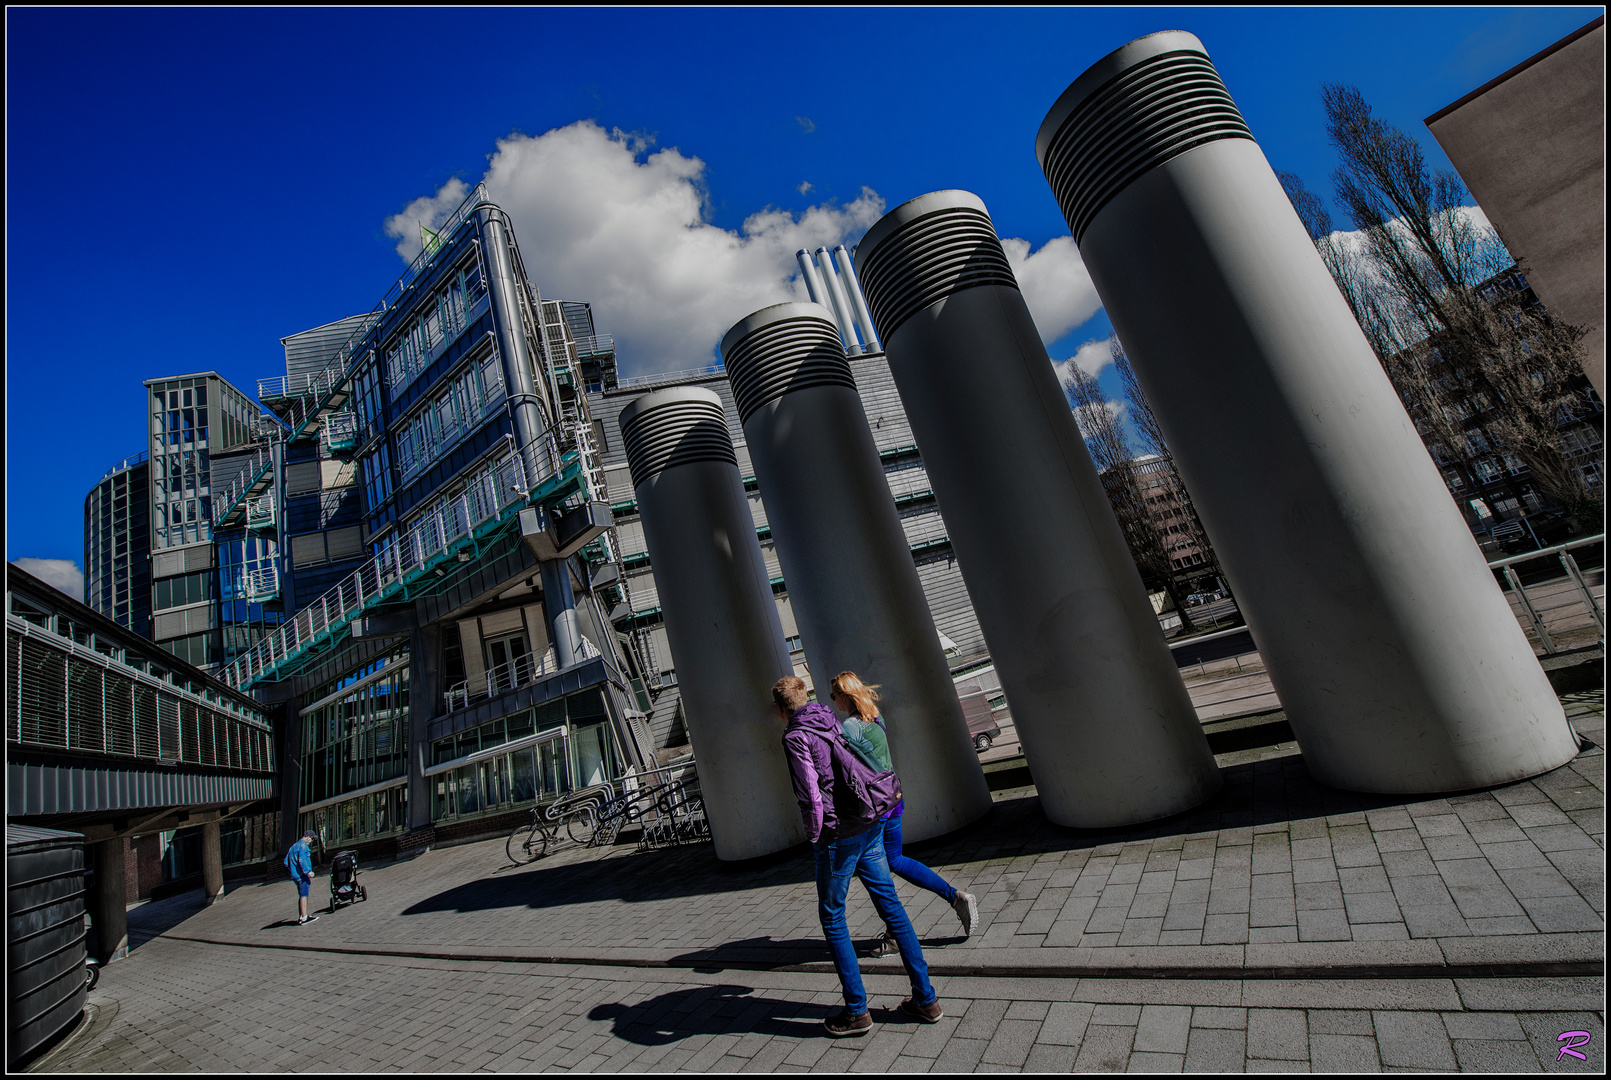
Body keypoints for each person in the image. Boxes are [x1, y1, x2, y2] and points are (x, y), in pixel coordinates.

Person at [775, 675, 942, 1038]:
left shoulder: (794, 736)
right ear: (807, 696)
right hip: (869, 821)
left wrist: (818, 838)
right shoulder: (829, 718)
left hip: (839, 834)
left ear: (780, 709)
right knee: (891, 905)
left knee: (833, 916)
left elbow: (810, 795)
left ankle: (856, 1011)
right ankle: (926, 1000)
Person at [828, 671, 979, 957]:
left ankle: (898, 932)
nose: (832, 700)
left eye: (834, 695)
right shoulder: (875, 716)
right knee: (894, 859)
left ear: (845, 695)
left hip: (873, 809)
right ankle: (953, 898)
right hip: (893, 798)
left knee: (873, 869)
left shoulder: (849, 728)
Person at [284, 830, 319, 925]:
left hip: (295, 875)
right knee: (304, 895)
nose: (311, 841)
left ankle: (302, 916)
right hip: (302, 875)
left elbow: (286, 862)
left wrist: (293, 870)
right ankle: (304, 918)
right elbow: (302, 860)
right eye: (312, 839)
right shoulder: (304, 846)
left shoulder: (293, 846)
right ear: (308, 837)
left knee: (301, 894)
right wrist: (308, 872)